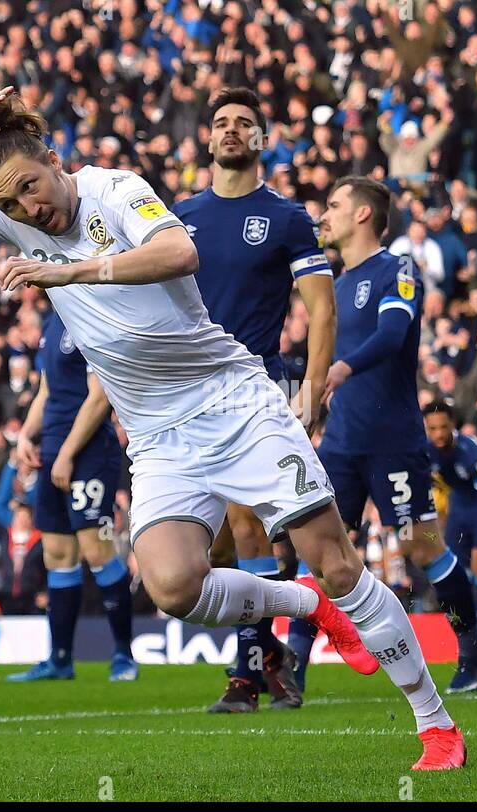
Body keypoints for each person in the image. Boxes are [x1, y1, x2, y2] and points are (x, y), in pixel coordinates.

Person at [0, 88, 465, 769]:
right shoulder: (10, 216)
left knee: (337, 561)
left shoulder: (115, 190)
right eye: (9, 206)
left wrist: (73, 270)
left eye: (30, 190)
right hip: (158, 436)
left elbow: (178, 254)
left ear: (53, 159)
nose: (26, 210)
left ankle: (435, 724)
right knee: (173, 585)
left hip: (235, 402)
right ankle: (302, 604)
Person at [173, 86, 336, 713]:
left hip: (253, 383)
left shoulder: (288, 218)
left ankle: (243, 676)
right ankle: (270, 651)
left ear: (261, 140)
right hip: (181, 394)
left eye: (245, 123)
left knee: (246, 525)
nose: (232, 131)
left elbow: (320, 310)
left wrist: (312, 389)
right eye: (221, 123)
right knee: (202, 549)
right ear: (208, 140)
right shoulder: (179, 215)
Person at [316, 174, 477, 704]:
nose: (327, 214)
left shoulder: (398, 269)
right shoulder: (335, 284)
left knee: (421, 547)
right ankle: (290, 675)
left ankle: (472, 656)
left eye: (335, 205)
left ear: (363, 214)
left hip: (392, 441)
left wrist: (340, 369)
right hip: (341, 442)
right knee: (321, 552)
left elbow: (392, 335)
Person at [6, 307, 137, 682]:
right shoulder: (54, 319)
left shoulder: (91, 313)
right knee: (57, 553)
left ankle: (123, 656)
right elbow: (47, 389)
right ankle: (60, 658)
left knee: (97, 549)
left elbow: (100, 397)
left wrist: (66, 454)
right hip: (52, 452)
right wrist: (26, 436)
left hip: (89, 453)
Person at [423, 401, 477, 691]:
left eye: (443, 427)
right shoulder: (426, 450)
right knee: (455, 580)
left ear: (453, 425)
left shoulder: (474, 453)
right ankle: (471, 660)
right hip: (460, 510)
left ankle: (475, 661)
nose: (438, 433)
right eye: (432, 428)